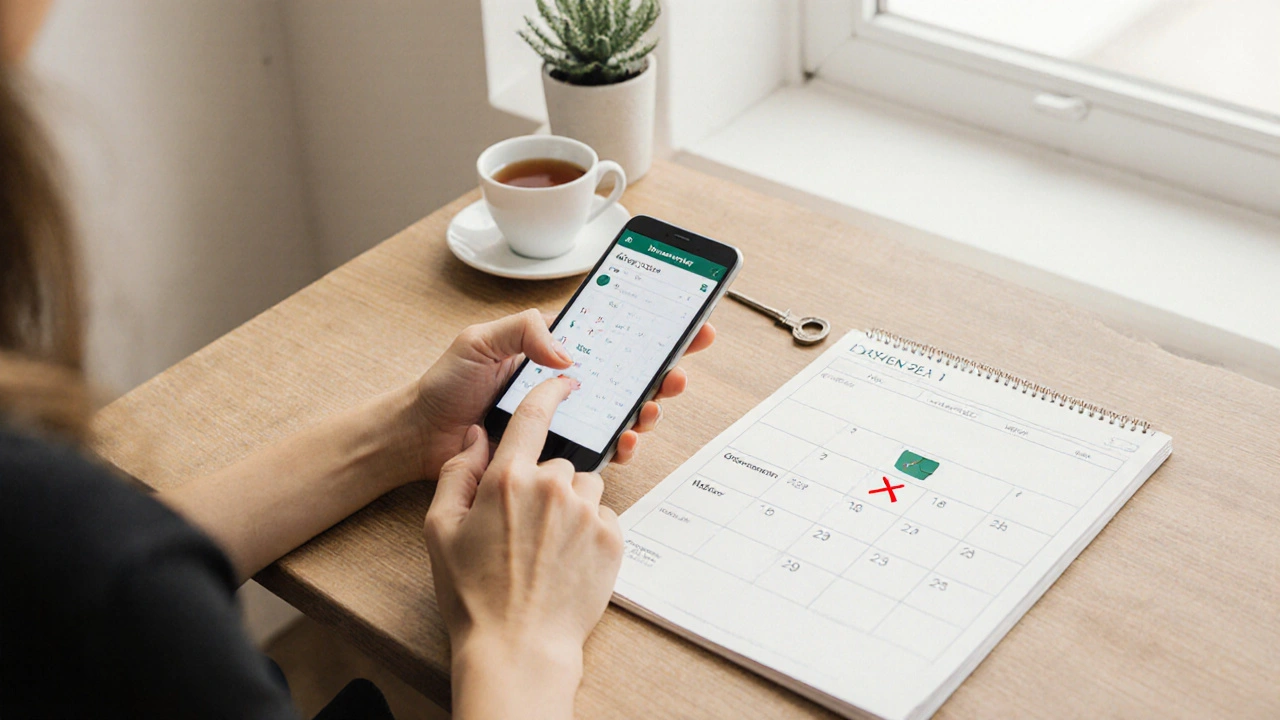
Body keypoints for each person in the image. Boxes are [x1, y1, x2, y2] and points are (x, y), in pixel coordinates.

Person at [0, 1, 716, 717]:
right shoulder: (105, 586)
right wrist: (517, 640)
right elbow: (100, 576)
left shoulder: (82, 557)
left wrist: (408, 433)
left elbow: (90, 564)